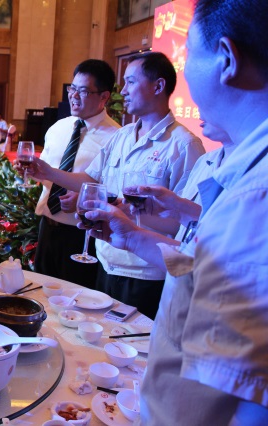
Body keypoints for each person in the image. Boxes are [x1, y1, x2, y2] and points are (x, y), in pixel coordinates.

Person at [83, 2, 268, 423]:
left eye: (190, 57)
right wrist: (132, 236)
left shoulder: (254, 198)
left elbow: (231, 394)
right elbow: (197, 269)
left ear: (226, 59)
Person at [20, 52, 205, 319]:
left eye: (131, 82)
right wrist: (47, 171)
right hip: (106, 261)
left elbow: (188, 225)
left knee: (133, 339)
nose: (124, 91)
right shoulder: (124, 136)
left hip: (145, 271)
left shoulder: (184, 145)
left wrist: (130, 213)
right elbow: (91, 180)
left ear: (158, 86)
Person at [31, 59, 121, 286]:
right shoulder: (58, 128)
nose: (74, 96)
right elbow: (47, 174)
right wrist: (32, 172)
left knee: (76, 298)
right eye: (72, 89)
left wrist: (84, 199)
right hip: (47, 227)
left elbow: (117, 189)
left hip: (83, 236)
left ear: (104, 96)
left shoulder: (116, 138)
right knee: (41, 293)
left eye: (84, 91)